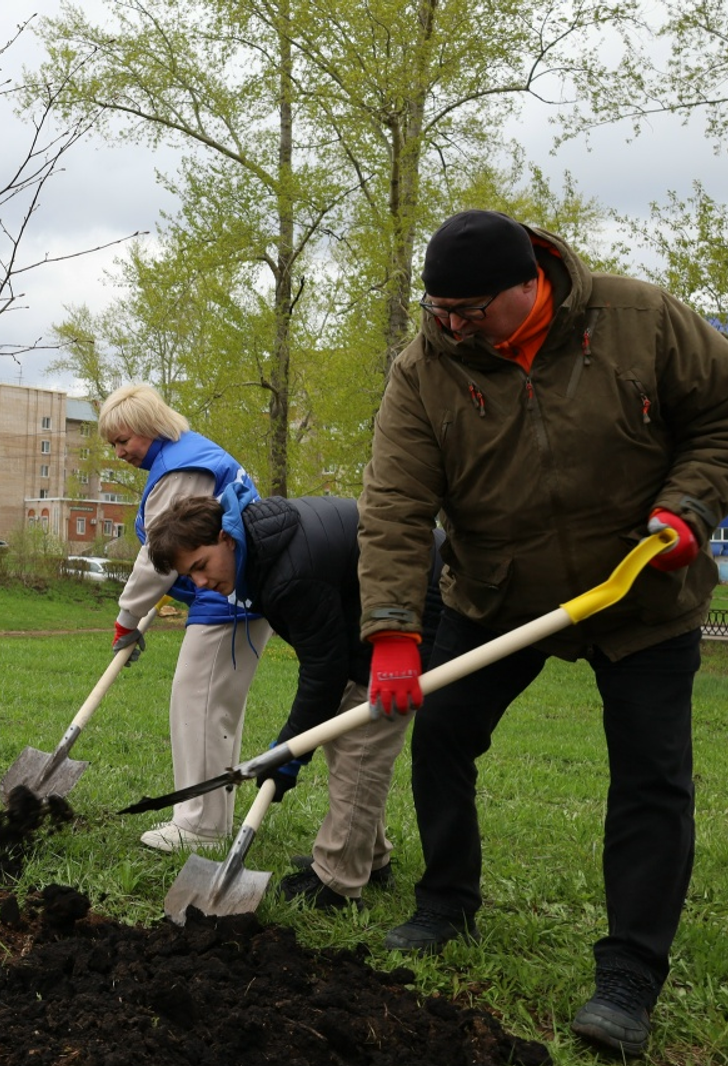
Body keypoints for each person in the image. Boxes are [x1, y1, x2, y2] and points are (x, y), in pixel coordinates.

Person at [358, 208, 728, 1056]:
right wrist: (392, 629)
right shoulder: (426, 368)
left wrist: (690, 508)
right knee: (441, 733)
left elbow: (719, 419)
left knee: (651, 779)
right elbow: (395, 502)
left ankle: (630, 974)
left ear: (529, 284)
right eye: (437, 309)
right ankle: (446, 900)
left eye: (467, 309)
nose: (449, 326)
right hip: (501, 595)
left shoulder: (640, 319)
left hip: (642, 592)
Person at [146, 485, 443, 909]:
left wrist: (288, 753)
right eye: (189, 576)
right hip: (370, 609)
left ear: (225, 538)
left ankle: (338, 882)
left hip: (420, 600)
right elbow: (325, 661)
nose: (202, 583)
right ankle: (370, 857)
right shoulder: (261, 547)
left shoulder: (287, 572)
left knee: (360, 742)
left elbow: (323, 673)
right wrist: (291, 749)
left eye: (201, 565)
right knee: (349, 729)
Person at [97, 384, 271, 852]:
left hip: (226, 598)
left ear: (150, 426)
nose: (119, 453)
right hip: (240, 595)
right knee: (214, 709)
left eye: (123, 440)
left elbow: (159, 556)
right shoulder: (191, 454)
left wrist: (128, 616)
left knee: (198, 704)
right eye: (112, 445)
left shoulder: (180, 471)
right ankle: (211, 820)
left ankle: (199, 826)